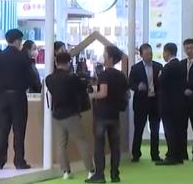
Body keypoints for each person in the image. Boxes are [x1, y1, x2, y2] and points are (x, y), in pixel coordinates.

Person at [0, 29, 42, 170]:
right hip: (18, 96)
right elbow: (31, 78)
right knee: (19, 130)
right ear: (17, 41)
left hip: (2, 96)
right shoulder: (23, 57)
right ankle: (19, 161)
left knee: (3, 130)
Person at [46, 52, 95, 180]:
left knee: (61, 145)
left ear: (56, 62)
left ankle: (66, 172)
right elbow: (83, 87)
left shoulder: (49, 79)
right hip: (71, 114)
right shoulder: (72, 78)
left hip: (57, 114)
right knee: (81, 142)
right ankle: (91, 170)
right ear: (68, 63)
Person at [86, 46, 129, 183]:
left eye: (104, 55)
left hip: (102, 114)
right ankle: (115, 174)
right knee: (115, 146)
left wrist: (92, 95)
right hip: (115, 114)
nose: (103, 57)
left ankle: (99, 174)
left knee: (99, 146)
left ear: (110, 58)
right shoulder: (121, 75)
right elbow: (127, 94)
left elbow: (103, 93)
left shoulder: (104, 75)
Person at [129, 44, 163, 163]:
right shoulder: (135, 68)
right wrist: (137, 87)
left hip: (155, 102)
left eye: (151, 53)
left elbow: (162, 83)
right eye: (147, 54)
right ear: (141, 55)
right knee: (139, 129)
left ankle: (155, 154)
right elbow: (130, 83)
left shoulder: (159, 67)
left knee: (155, 130)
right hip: (141, 103)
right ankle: (136, 154)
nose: (150, 56)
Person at [157, 43, 187, 166]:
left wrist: (160, 76)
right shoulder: (181, 66)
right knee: (178, 130)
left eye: (164, 52)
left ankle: (171, 155)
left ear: (167, 53)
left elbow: (161, 83)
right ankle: (179, 156)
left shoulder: (168, 67)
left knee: (170, 130)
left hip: (168, 104)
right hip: (180, 103)